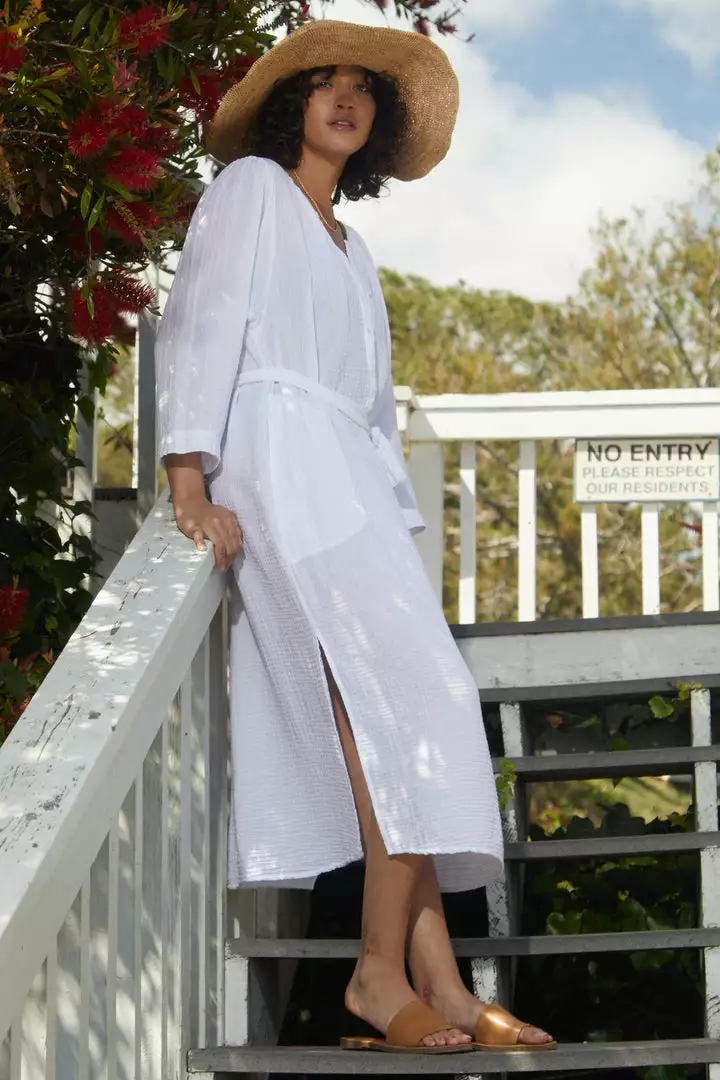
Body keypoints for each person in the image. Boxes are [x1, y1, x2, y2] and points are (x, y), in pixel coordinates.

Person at [155, 18, 555, 1054]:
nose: (344, 100)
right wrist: (188, 474)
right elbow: (200, 320)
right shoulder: (251, 189)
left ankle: (441, 982)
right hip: (277, 459)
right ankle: (380, 975)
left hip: (350, 487)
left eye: (363, 90)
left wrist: (389, 525)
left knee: (399, 711)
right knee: (409, 703)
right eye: (324, 84)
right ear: (293, 106)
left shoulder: (354, 245)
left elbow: (373, 411)